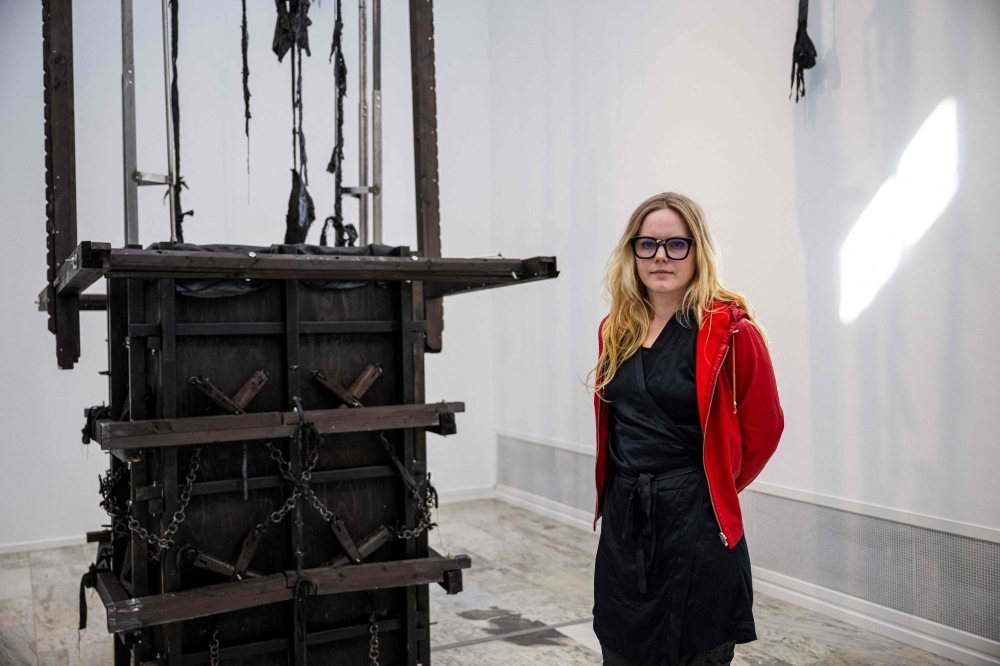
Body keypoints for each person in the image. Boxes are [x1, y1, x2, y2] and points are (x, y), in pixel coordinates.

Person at [590, 193, 784, 666]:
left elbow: (765, 431)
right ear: (631, 252)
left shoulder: (731, 332)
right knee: (620, 649)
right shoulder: (615, 328)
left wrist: (711, 485)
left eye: (677, 244)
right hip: (625, 523)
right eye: (648, 244)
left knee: (694, 651)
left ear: (698, 251)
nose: (660, 256)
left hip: (697, 525)